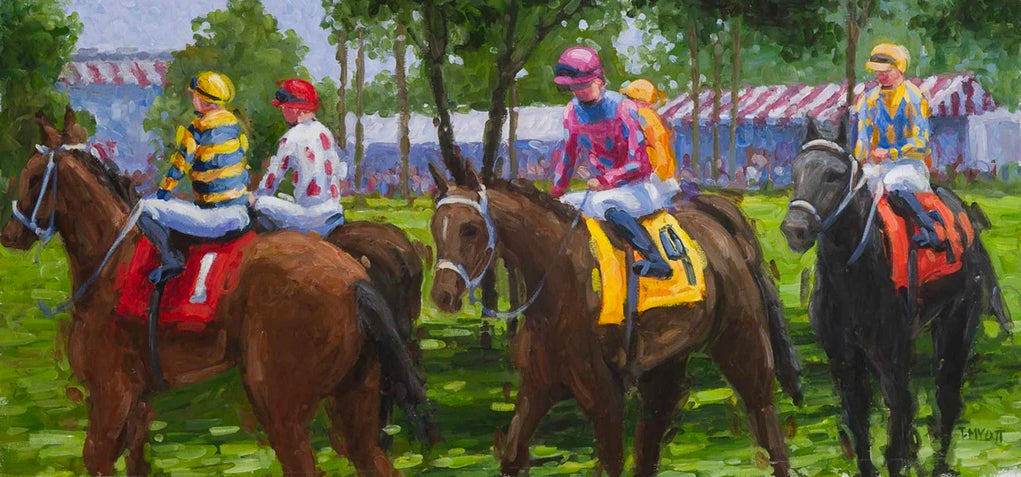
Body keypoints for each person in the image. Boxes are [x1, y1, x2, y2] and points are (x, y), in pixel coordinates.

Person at [551, 46, 679, 279]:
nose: (578, 92)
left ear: (599, 80)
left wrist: (606, 179)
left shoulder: (623, 108)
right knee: (564, 206)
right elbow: (568, 156)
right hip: (604, 190)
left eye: (583, 85)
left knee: (605, 204)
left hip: (638, 186)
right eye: (573, 87)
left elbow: (639, 162)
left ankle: (657, 261)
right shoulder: (571, 112)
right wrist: (556, 192)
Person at [138, 71, 251, 284]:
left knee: (145, 208)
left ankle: (171, 260)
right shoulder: (235, 126)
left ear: (204, 100)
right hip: (241, 215)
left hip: (214, 218)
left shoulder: (197, 128)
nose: (193, 99)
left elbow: (179, 167)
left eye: (195, 95)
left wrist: (162, 194)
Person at [854, 43, 944, 251]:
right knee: (856, 186)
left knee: (893, 182)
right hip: (879, 166)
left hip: (909, 164)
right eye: (877, 71)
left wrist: (891, 152)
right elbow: (863, 139)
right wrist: (858, 158)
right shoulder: (868, 99)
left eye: (885, 71)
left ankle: (930, 229)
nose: (880, 75)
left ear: (899, 69)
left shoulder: (913, 96)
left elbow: (921, 143)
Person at [253, 78, 346, 234]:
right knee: (284, 198)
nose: (283, 112)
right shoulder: (325, 132)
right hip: (334, 212)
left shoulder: (291, 137)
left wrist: (254, 197)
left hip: (311, 218)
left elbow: (271, 181)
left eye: (284, 107)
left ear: (295, 109)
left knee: (261, 203)